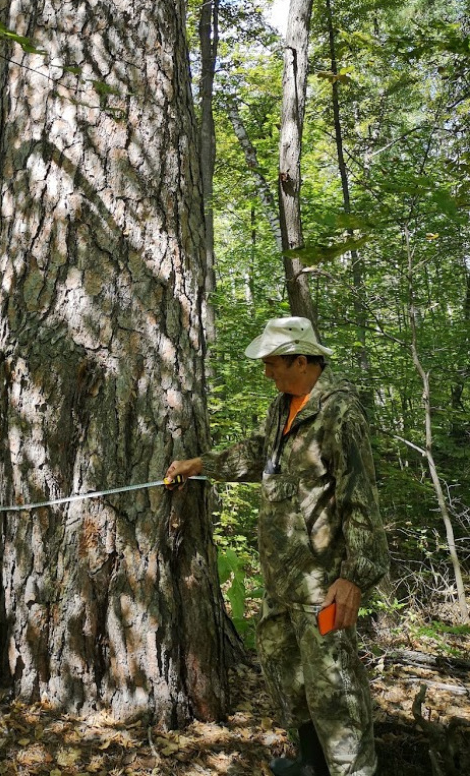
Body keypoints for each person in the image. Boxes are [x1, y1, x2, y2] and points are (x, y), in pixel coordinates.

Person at [166, 316, 389, 776]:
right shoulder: (282, 407)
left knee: (336, 692)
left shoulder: (338, 412)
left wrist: (354, 577)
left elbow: (360, 498)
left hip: (323, 585)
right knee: (289, 680)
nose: (266, 372)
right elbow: (256, 455)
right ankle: (311, 764)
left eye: (272, 364)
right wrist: (199, 464)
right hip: (282, 581)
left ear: (301, 360)